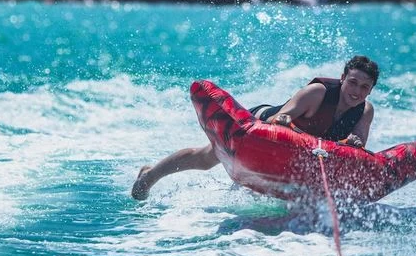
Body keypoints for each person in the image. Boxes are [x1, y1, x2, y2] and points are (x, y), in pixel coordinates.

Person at [131, 55, 379, 200]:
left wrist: (353, 143)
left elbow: (358, 144)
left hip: (307, 145)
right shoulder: (317, 92)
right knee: (208, 158)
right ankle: (149, 176)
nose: (356, 91)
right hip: (260, 125)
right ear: (342, 78)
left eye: (364, 87)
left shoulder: (365, 111)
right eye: (352, 82)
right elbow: (280, 117)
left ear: (370, 90)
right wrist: (285, 122)